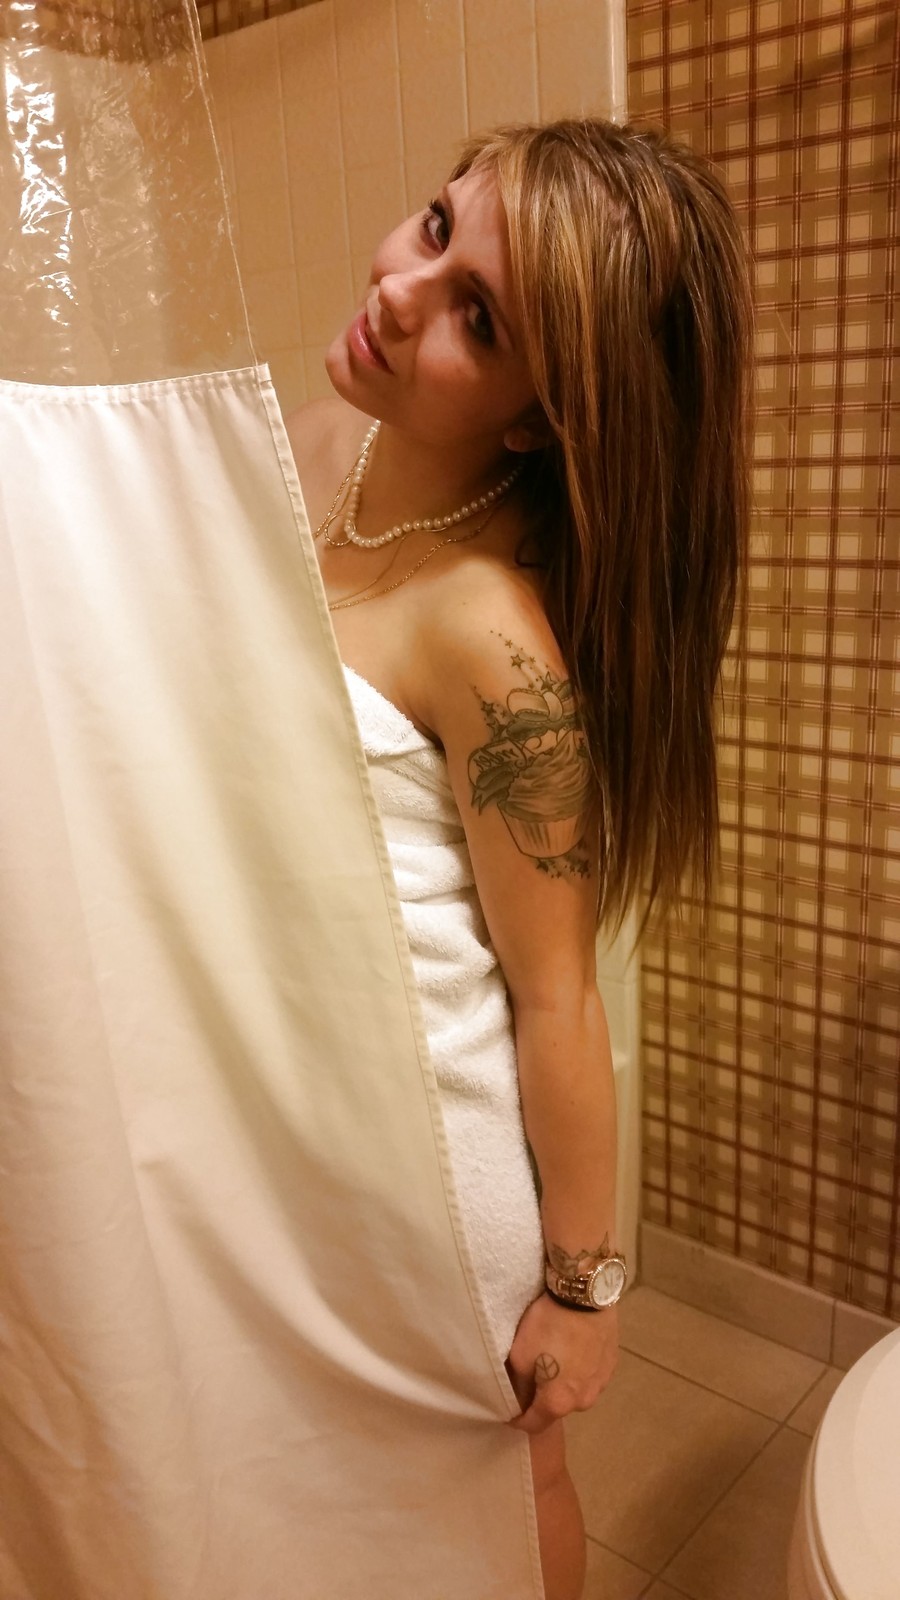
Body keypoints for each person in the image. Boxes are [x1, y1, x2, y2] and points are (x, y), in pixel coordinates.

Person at [285, 115, 753, 1600]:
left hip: (439, 1160)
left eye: (477, 318)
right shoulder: (332, 441)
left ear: (542, 420)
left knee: (507, 1470)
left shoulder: (489, 632)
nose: (399, 290)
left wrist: (587, 1292)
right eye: (435, 228)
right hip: (313, 1109)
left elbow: (556, 998)